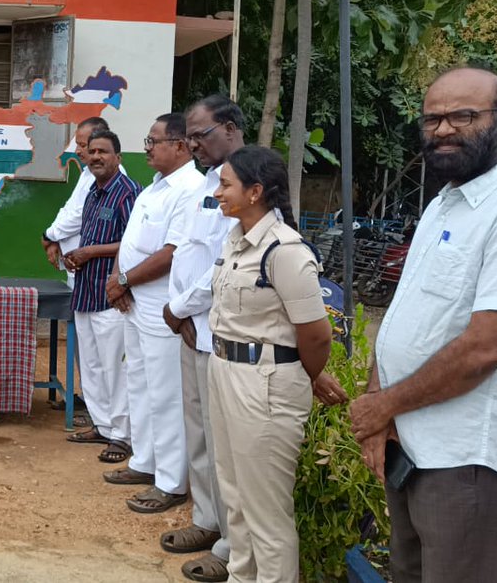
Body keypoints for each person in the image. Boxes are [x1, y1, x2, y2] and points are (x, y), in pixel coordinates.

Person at [350, 66, 497, 583]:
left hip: (467, 460)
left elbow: (486, 348)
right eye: (432, 119)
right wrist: (383, 414)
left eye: (463, 116)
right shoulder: (446, 202)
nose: (443, 129)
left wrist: (385, 405)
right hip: (411, 442)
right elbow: (406, 317)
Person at [207, 145, 334, 583]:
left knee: (266, 512)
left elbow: (316, 335)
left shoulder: (285, 251)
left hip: (265, 384)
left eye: (226, 184)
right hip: (225, 371)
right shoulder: (236, 239)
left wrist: (310, 375)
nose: (219, 192)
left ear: (255, 191)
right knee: (236, 499)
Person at [157, 95, 246, 582]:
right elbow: (187, 251)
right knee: (199, 436)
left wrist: (180, 306)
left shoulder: (247, 179)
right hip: (189, 328)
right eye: (188, 136)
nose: (192, 144)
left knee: (226, 446)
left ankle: (232, 546)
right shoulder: (205, 183)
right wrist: (176, 308)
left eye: (200, 134)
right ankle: (206, 521)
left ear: (230, 129)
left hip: (221, 332)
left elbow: (225, 262)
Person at [101, 113, 204, 516]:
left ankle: (171, 481)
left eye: (154, 140)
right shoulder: (155, 186)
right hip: (133, 300)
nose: (147, 147)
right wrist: (117, 279)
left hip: (162, 303)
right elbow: (131, 241)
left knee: (166, 393)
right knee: (139, 383)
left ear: (179, 145)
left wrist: (124, 280)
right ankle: (145, 461)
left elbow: (173, 251)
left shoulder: (190, 188)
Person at [62, 128, 141, 464]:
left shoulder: (128, 193)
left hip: (111, 295)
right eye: (92, 151)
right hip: (85, 290)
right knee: (92, 366)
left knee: (114, 369)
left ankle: (122, 436)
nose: (95, 157)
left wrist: (90, 252)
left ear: (118, 158)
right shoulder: (93, 193)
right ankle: (102, 424)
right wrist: (75, 254)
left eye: (103, 152)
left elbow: (135, 243)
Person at [42, 116, 108, 285]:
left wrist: (50, 235)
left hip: (91, 266)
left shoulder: (107, 175)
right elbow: (68, 208)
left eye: (83, 145)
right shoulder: (87, 172)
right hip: (74, 261)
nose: (77, 151)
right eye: (77, 144)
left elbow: (82, 215)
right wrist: (52, 236)